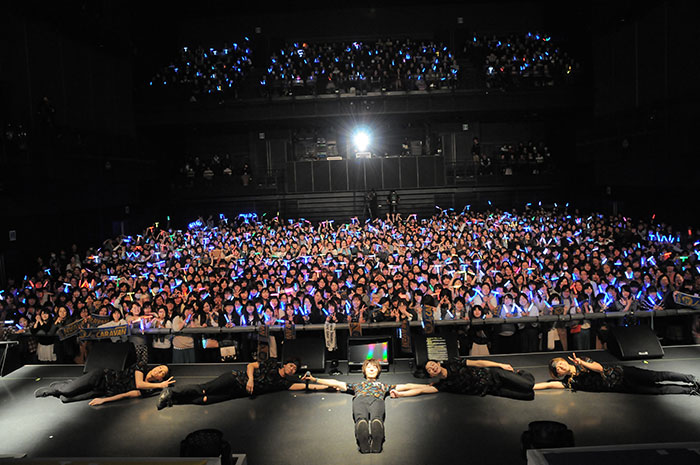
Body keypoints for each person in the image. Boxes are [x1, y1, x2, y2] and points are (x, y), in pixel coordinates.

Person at [303, 359, 407, 454]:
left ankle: (377, 438)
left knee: (376, 419)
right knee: (361, 419)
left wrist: (416, 389)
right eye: (369, 367)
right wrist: (314, 379)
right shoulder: (356, 385)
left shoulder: (384, 386)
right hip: (360, 399)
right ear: (364, 370)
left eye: (375, 367)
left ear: (378, 371)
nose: (371, 369)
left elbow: (406, 386)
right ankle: (363, 437)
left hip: (377, 399)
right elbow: (335, 382)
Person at [157, 358, 328, 409]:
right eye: (291, 365)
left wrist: (327, 386)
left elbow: (307, 386)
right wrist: (251, 379)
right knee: (204, 389)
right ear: (285, 364)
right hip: (235, 379)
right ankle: (171, 392)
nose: (292, 369)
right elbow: (250, 365)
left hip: (238, 393)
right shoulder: (271, 364)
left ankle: (173, 401)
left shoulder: (284, 383)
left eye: (294, 369)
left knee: (206, 400)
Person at [534, 353, 699, 395]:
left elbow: (599, 369)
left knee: (658, 376)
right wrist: (530, 386)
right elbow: (548, 384)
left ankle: (691, 379)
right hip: (620, 387)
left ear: (564, 360)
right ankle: (690, 390)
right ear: (558, 373)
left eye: (560, 363)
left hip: (623, 373)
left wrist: (582, 363)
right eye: (558, 369)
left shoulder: (582, 361)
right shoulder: (569, 382)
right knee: (658, 390)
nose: (561, 367)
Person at [390, 358, 535, 401]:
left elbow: (478, 363)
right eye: (429, 370)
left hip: (495, 375)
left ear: (438, 363)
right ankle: (519, 377)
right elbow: (421, 389)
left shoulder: (454, 363)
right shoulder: (444, 385)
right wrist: (399, 393)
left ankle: (521, 373)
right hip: (492, 389)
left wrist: (500, 365)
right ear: (431, 375)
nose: (433, 368)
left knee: (528, 384)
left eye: (432, 364)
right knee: (528, 395)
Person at [35, 363, 173, 406]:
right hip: (101, 377)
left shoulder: (148, 390)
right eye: (160, 367)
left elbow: (126, 395)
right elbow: (139, 384)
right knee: (66, 391)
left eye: (162, 372)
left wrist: (104, 400)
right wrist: (160, 386)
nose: (159, 370)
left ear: (161, 378)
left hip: (102, 391)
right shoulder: (142, 366)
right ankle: (57, 387)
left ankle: (69, 385)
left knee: (66, 399)